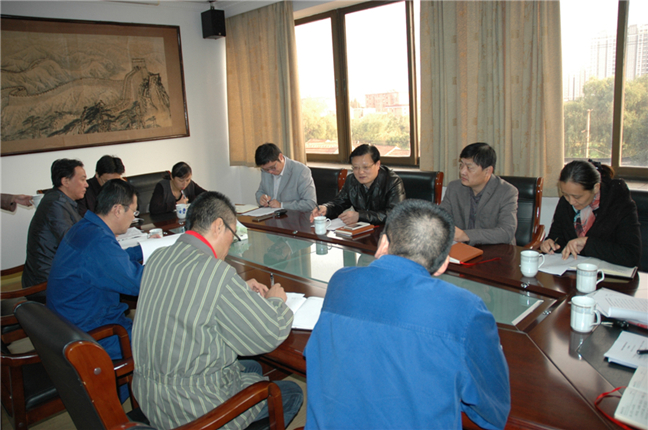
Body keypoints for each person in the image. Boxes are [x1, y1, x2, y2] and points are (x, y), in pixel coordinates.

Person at [305, 200, 510, 429]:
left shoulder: (341, 281)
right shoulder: (465, 309)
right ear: (443, 264)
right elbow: (493, 412)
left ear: (383, 244)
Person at [132, 191, 303, 430]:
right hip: (192, 411)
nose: (231, 245)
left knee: (252, 367)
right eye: (233, 235)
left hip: (150, 396)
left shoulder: (158, 258)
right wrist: (276, 301)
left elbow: (188, 293)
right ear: (218, 226)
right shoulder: (215, 271)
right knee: (291, 392)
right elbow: (268, 333)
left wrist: (237, 289)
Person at [46, 179, 143, 361]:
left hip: (69, 325)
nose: (134, 217)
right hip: (93, 335)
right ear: (117, 210)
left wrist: (142, 250)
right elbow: (138, 282)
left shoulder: (86, 228)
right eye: (134, 211)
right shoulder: (98, 241)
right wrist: (166, 265)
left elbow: (112, 260)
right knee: (165, 338)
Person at [540, 160, 641, 267]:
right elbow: (557, 237)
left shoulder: (619, 203)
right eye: (565, 194)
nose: (571, 201)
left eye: (577, 197)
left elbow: (631, 255)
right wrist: (550, 243)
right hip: (572, 271)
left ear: (596, 188)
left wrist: (587, 243)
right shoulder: (565, 202)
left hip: (608, 274)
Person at [23, 159, 88, 293]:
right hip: (47, 281)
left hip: (59, 272)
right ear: (65, 181)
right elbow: (73, 242)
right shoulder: (56, 203)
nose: (86, 184)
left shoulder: (61, 200)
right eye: (82, 179)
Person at [440, 142, 518, 245]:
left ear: (487, 171)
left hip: (495, 250)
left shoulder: (507, 192)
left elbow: (506, 232)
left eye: (469, 167)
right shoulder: (454, 188)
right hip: (463, 250)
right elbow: (441, 218)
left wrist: (466, 235)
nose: (462, 171)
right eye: (461, 165)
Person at [310, 144, 405, 225]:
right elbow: (339, 203)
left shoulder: (393, 182)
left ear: (377, 164)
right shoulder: (351, 180)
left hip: (386, 232)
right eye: (355, 167)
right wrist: (326, 208)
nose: (360, 172)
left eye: (366, 167)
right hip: (360, 231)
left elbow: (395, 214)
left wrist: (360, 216)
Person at [254, 143, 317, 212]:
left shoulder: (301, 171)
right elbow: (260, 192)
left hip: (292, 216)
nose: (270, 172)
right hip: (270, 215)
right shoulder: (265, 172)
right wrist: (261, 198)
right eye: (266, 169)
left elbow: (310, 204)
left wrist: (281, 205)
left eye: (273, 167)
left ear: (280, 157)